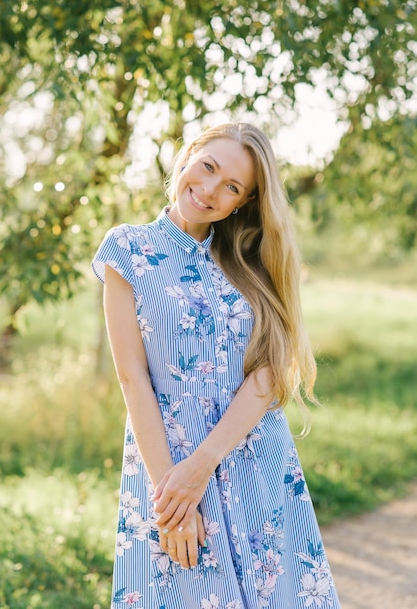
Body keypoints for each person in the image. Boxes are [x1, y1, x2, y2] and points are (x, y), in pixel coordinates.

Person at [92, 122, 341, 609]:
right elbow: (132, 378)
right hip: (167, 465)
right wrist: (174, 501)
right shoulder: (128, 250)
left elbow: (268, 372)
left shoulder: (249, 260)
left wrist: (202, 467)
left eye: (232, 187)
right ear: (187, 157)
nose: (209, 190)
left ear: (243, 203)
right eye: (208, 167)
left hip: (254, 459)